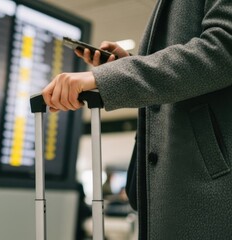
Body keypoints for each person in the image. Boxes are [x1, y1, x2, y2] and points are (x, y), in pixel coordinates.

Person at [42, 0, 232, 239]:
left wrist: (107, 78)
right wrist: (128, 64)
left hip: (207, 189)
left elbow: (224, 45)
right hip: (182, 181)